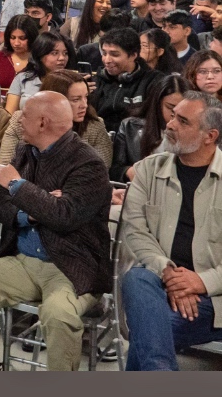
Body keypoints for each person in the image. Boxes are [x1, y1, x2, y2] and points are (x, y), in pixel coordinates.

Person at [0, 92, 114, 371]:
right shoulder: (26, 152)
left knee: (59, 313)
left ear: (42, 122)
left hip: (72, 265)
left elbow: (64, 216)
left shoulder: (89, 165)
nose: (18, 119)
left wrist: (18, 186)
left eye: (24, 114)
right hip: (24, 260)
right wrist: (30, 212)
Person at [120, 91, 222, 370]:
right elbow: (135, 230)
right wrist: (168, 272)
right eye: (173, 115)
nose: (171, 125)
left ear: (209, 136)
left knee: (148, 327)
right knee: (137, 278)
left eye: (183, 121)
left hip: (215, 299)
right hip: (160, 286)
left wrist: (201, 282)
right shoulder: (149, 170)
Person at [0, 70, 113, 168]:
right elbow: (6, 167)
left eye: (86, 97)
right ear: (54, 101)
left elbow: (98, 172)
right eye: (75, 99)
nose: (84, 105)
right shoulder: (21, 121)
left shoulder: (94, 126)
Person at [110, 73, 188, 182]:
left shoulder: (195, 131)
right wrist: (128, 171)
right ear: (157, 104)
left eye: (182, 110)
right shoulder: (130, 126)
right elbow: (114, 170)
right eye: (171, 108)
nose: (175, 115)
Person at [92, 27, 167, 132]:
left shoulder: (154, 81)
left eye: (114, 54)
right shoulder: (95, 81)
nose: (107, 60)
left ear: (133, 55)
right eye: (104, 53)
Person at [4, 31, 74, 114]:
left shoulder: (72, 81)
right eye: (54, 53)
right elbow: (9, 114)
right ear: (40, 55)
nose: (62, 58)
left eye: (65, 53)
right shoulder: (22, 78)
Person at [0, 14, 40, 92]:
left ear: (32, 37)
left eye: (22, 38)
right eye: (13, 38)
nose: (16, 43)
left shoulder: (40, 60)